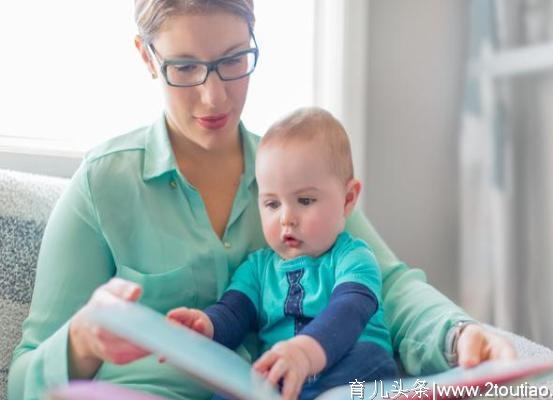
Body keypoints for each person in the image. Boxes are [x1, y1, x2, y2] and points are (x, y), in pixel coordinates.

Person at [8, 1, 516, 399]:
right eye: (184, 68)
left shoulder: (294, 176)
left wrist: (458, 335)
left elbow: (386, 285)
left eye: (232, 60)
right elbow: (23, 377)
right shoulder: (103, 185)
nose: (214, 98)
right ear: (147, 56)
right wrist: (82, 340)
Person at [167, 107, 399, 400]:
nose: (287, 218)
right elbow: (232, 313)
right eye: (272, 204)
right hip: (285, 373)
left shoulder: (352, 257)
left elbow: (349, 311)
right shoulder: (257, 268)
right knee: (234, 390)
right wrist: (206, 327)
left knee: (352, 379)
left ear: (347, 199)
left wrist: (304, 352)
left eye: (304, 200)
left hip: (354, 365)